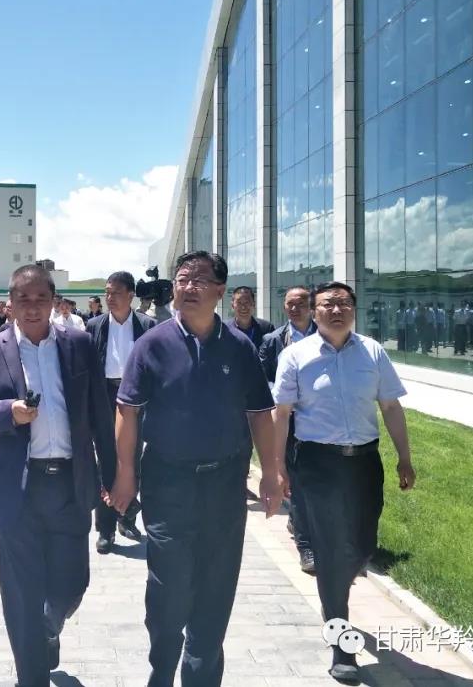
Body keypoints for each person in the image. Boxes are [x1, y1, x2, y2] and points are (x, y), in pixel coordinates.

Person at [110, 251, 283, 687]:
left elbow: (260, 414)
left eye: (199, 280)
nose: (188, 287)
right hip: (168, 482)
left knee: (216, 585)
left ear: (220, 291)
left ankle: (200, 673)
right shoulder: (152, 344)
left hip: (224, 485)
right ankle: (162, 665)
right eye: (182, 279)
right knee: (168, 588)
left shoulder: (240, 348)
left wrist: (271, 472)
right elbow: (127, 411)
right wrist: (125, 474)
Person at [0, 264, 116, 687]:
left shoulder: (79, 344)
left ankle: (49, 624)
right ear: (10, 304)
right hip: (18, 490)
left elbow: (100, 414)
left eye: (40, 299)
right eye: (22, 299)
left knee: (73, 582)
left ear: (53, 302)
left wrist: (115, 475)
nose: (32, 307)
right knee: (21, 596)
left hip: (69, 484)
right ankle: (31, 676)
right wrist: (7, 412)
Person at [272, 281, 415, 685]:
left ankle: (334, 590)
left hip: (364, 463)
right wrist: (277, 467)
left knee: (363, 546)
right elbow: (281, 414)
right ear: (314, 311)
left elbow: (390, 406)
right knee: (332, 552)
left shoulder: (373, 352)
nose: (336, 310)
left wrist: (404, 457)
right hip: (316, 464)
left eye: (343, 304)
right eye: (327, 304)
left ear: (354, 309)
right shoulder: (295, 355)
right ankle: (341, 640)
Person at [86, 271, 155, 554]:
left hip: (135, 401)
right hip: (105, 397)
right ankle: (105, 529)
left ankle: (127, 517)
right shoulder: (94, 326)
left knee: (132, 460)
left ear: (130, 295)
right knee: (106, 461)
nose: (109, 297)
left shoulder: (147, 326)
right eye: (107, 292)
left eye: (115, 292)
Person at [258, 286, 318, 574]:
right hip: (286, 418)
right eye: (290, 304)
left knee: (315, 475)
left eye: (301, 303)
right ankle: (306, 545)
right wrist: (282, 396)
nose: (295, 309)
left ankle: (299, 519)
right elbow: (262, 378)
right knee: (294, 474)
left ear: (311, 306)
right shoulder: (273, 341)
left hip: (318, 419)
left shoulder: (326, 336)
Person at [225, 286, 275, 350]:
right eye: (239, 303)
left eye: (247, 302)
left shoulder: (267, 328)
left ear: (254, 304)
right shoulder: (224, 329)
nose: (243, 307)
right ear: (232, 305)